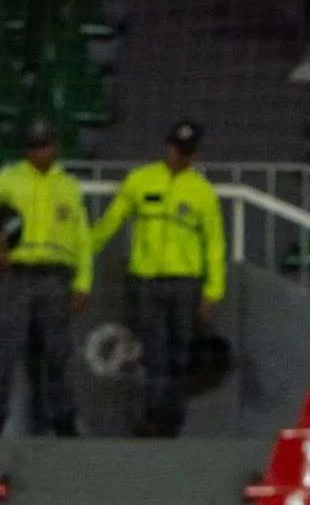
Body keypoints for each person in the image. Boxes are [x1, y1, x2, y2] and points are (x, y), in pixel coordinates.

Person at [91, 121, 227, 438]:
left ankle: (171, 420)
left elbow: (215, 245)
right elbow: (110, 222)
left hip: (185, 284)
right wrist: (83, 252)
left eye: (187, 152)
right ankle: (152, 416)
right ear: (167, 147)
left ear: (195, 154)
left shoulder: (202, 192)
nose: (180, 156)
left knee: (180, 353)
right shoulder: (140, 180)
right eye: (177, 149)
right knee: (154, 352)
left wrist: (213, 291)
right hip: (146, 281)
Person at [0, 121, 90, 437]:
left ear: (55, 147)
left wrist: (83, 282)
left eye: (43, 146)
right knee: (3, 350)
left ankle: (63, 422)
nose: (38, 153)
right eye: (33, 147)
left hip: (55, 278)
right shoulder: (7, 179)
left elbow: (82, 238)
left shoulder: (68, 186)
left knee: (58, 352)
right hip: (15, 275)